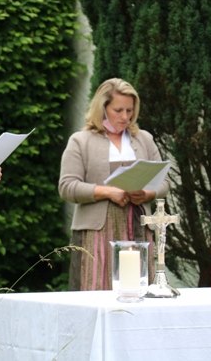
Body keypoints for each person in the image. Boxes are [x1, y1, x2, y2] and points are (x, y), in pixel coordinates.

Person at [59, 78, 169, 291]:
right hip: (96, 232)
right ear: (103, 108)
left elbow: (163, 181)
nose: (125, 117)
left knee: (137, 290)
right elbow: (67, 186)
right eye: (118, 110)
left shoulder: (144, 139)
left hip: (137, 225)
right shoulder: (81, 141)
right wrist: (107, 191)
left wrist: (146, 194)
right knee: (95, 287)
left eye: (129, 110)